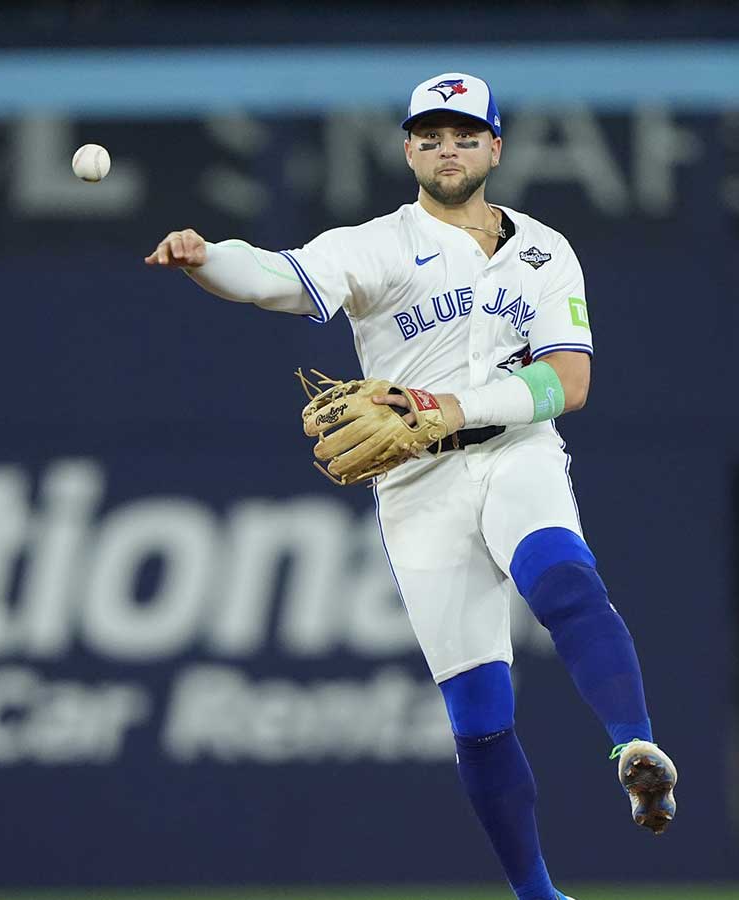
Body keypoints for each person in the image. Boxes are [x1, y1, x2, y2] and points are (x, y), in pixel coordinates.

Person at [144, 72, 675, 900]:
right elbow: (277, 275)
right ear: (407, 150)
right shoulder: (380, 245)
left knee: (561, 575)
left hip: (515, 450)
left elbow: (567, 384)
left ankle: (635, 747)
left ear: (495, 147)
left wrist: (454, 407)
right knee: (478, 712)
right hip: (417, 485)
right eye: (430, 135)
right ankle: (537, 895)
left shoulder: (544, 249)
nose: (447, 148)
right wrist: (208, 258)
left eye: (464, 134)